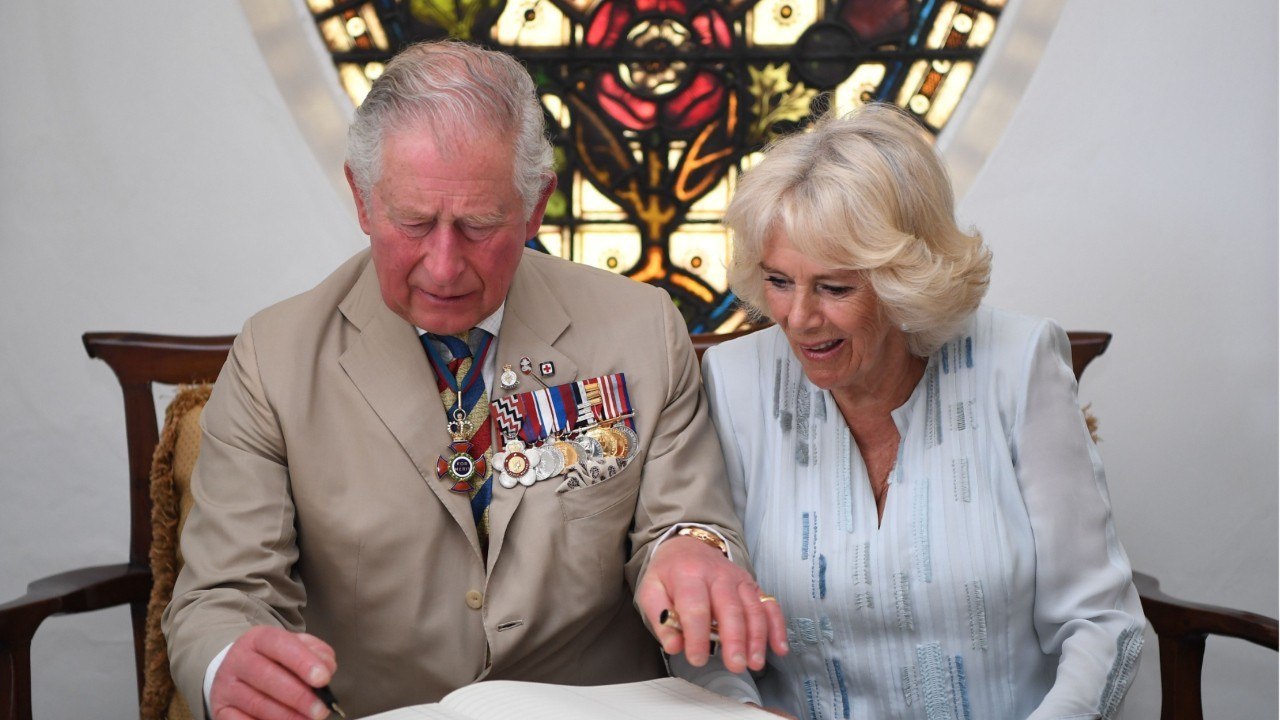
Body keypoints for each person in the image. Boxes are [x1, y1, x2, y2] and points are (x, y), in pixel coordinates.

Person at [162, 40, 787, 720]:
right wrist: (230, 662)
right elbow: (223, 595)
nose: (442, 263)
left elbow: (684, 522)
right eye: (414, 222)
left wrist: (692, 555)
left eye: (479, 225)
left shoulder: (638, 328)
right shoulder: (274, 356)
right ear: (363, 200)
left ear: (537, 204)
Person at [685, 104, 1146, 718]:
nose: (798, 318)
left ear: (907, 278)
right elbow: (709, 630)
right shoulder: (736, 382)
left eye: (834, 287)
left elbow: (1100, 622)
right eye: (778, 281)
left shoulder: (1017, 365)